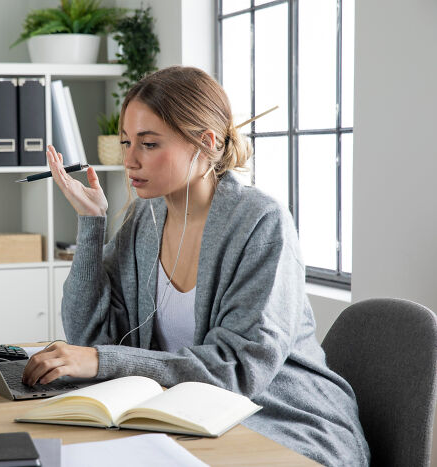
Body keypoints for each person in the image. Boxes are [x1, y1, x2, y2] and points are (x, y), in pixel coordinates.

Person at [21, 66, 370, 466]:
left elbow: (239, 372)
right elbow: (90, 335)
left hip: (280, 420)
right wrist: (91, 225)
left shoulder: (260, 222)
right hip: (184, 418)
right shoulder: (144, 220)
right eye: (126, 142)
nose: (130, 160)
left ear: (205, 144)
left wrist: (101, 360)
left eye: (149, 144)